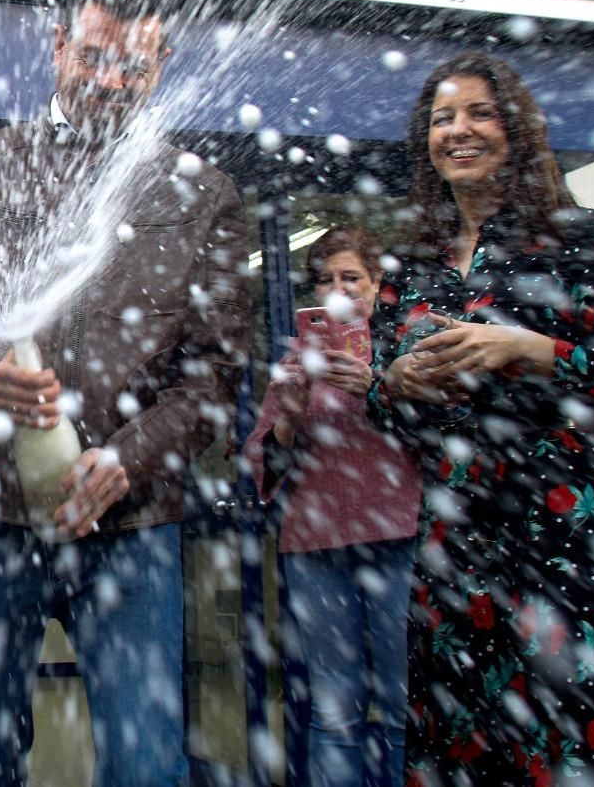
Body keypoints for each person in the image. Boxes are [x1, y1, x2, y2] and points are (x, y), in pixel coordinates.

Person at [0, 0, 250, 785]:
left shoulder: (205, 196)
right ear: (58, 46)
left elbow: (217, 376)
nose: (109, 80)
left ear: (161, 67)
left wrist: (128, 458)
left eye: (133, 66)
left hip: (133, 522)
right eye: (93, 55)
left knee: (145, 765)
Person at [371, 51, 594, 786]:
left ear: (515, 129)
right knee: (472, 748)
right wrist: (398, 380)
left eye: (479, 113)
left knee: (578, 742)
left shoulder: (579, 238)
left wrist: (529, 348)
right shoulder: (411, 266)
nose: (460, 131)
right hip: (456, 549)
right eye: (443, 119)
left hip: (568, 539)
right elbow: (380, 409)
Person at [243, 227, 420, 787]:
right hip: (317, 546)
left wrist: (379, 388)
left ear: (377, 285)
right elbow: (262, 456)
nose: (339, 288)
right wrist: (291, 415)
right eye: (326, 279)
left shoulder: (405, 346)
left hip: (400, 537)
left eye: (351, 278)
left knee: (401, 704)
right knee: (334, 709)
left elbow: (438, 436)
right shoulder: (298, 359)